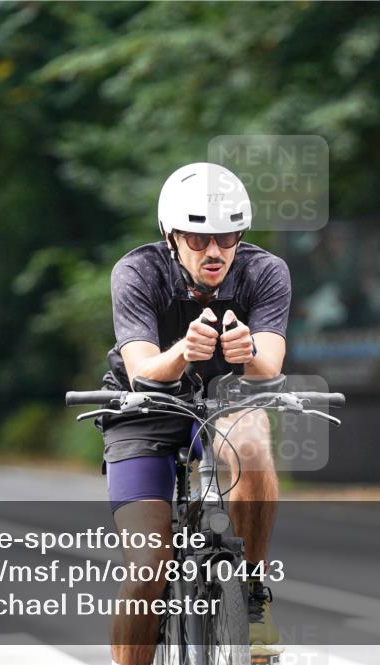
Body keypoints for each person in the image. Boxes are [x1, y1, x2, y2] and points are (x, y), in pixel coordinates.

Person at [99, 162, 290, 665]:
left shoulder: (264, 271)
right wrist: (184, 351)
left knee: (252, 442)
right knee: (147, 567)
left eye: (227, 237)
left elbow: (269, 368)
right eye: (198, 238)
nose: (214, 252)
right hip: (145, 409)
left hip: (226, 399)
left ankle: (250, 594)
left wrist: (249, 353)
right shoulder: (138, 271)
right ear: (170, 234)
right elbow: (143, 370)